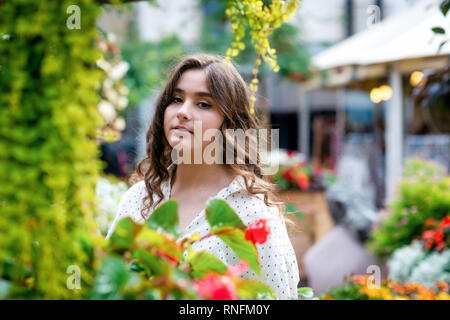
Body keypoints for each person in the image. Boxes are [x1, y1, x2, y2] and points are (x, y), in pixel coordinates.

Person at [106, 53, 300, 299]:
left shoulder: (253, 215)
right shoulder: (139, 198)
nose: (183, 112)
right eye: (176, 99)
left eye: (204, 104)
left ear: (229, 123)